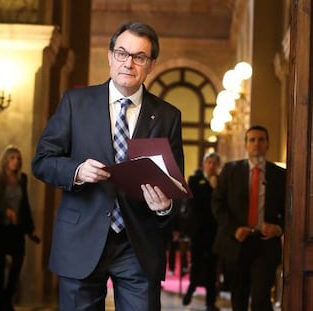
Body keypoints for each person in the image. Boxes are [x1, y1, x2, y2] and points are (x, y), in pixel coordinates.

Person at [32, 21, 185, 310]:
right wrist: (76, 171)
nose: (129, 63)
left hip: (138, 243)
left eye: (139, 57)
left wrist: (164, 205)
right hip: (81, 239)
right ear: (110, 56)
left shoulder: (168, 116)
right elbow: (42, 162)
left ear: (150, 64)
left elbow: (175, 186)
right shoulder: (76, 103)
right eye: (122, 53)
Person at [212, 125, 286, 311]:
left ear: (268, 144)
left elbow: (291, 211)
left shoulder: (280, 175)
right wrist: (233, 229)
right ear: (245, 144)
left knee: (261, 299)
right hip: (236, 242)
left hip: (265, 244)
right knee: (239, 297)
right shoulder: (231, 171)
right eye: (252, 140)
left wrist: (279, 228)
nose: (257, 144)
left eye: (261, 139)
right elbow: (217, 204)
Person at [0, 145, 39, 311]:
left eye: (18, 158)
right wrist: (6, 210)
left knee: (18, 263)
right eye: (12, 158)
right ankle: (1, 303)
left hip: (17, 229)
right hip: (0, 228)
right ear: (5, 159)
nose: (16, 161)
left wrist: (31, 227)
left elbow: (25, 204)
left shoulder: (22, 178)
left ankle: (7, 300)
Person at [182, 152, 221, 311]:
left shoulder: (221, 182)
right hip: (199, 231)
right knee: (197, 263)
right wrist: (211, 188)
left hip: (215, 231)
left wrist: (215, 187)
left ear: (218, 166)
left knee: (213, 266)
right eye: (209, 162)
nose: (211, 166)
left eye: (214, 163)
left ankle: (210, 302)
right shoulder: (194, 180)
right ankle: (191, 290)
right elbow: (197, 203)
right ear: (204, 164)